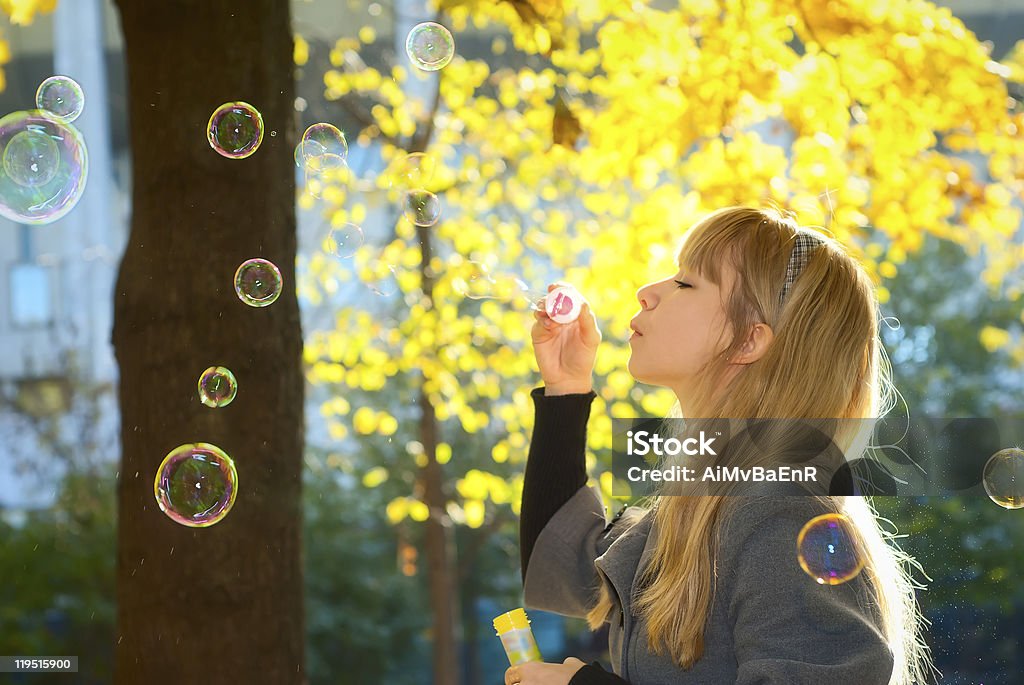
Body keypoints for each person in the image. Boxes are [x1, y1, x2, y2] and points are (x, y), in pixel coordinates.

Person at [506, 206, 936, 685]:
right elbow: (561, 564)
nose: (647, 293)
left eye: (686, 283)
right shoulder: (705, 507)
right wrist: (565, 388)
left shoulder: (782, 516)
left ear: (748, 341)